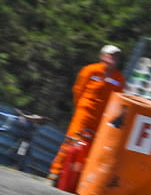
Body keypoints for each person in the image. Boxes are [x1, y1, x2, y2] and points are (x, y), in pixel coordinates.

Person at [48, 44, 126, 183]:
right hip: (84, 113)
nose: (113, 58)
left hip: (101, 118)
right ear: (103, 56)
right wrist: (82, 107)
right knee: (72, 141)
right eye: (111, 55)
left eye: (116, 56)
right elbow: (78, 90)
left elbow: (118, 99)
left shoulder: (119, 78)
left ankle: (77, 178)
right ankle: (56, 172)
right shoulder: (90, 70)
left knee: (91, 147)